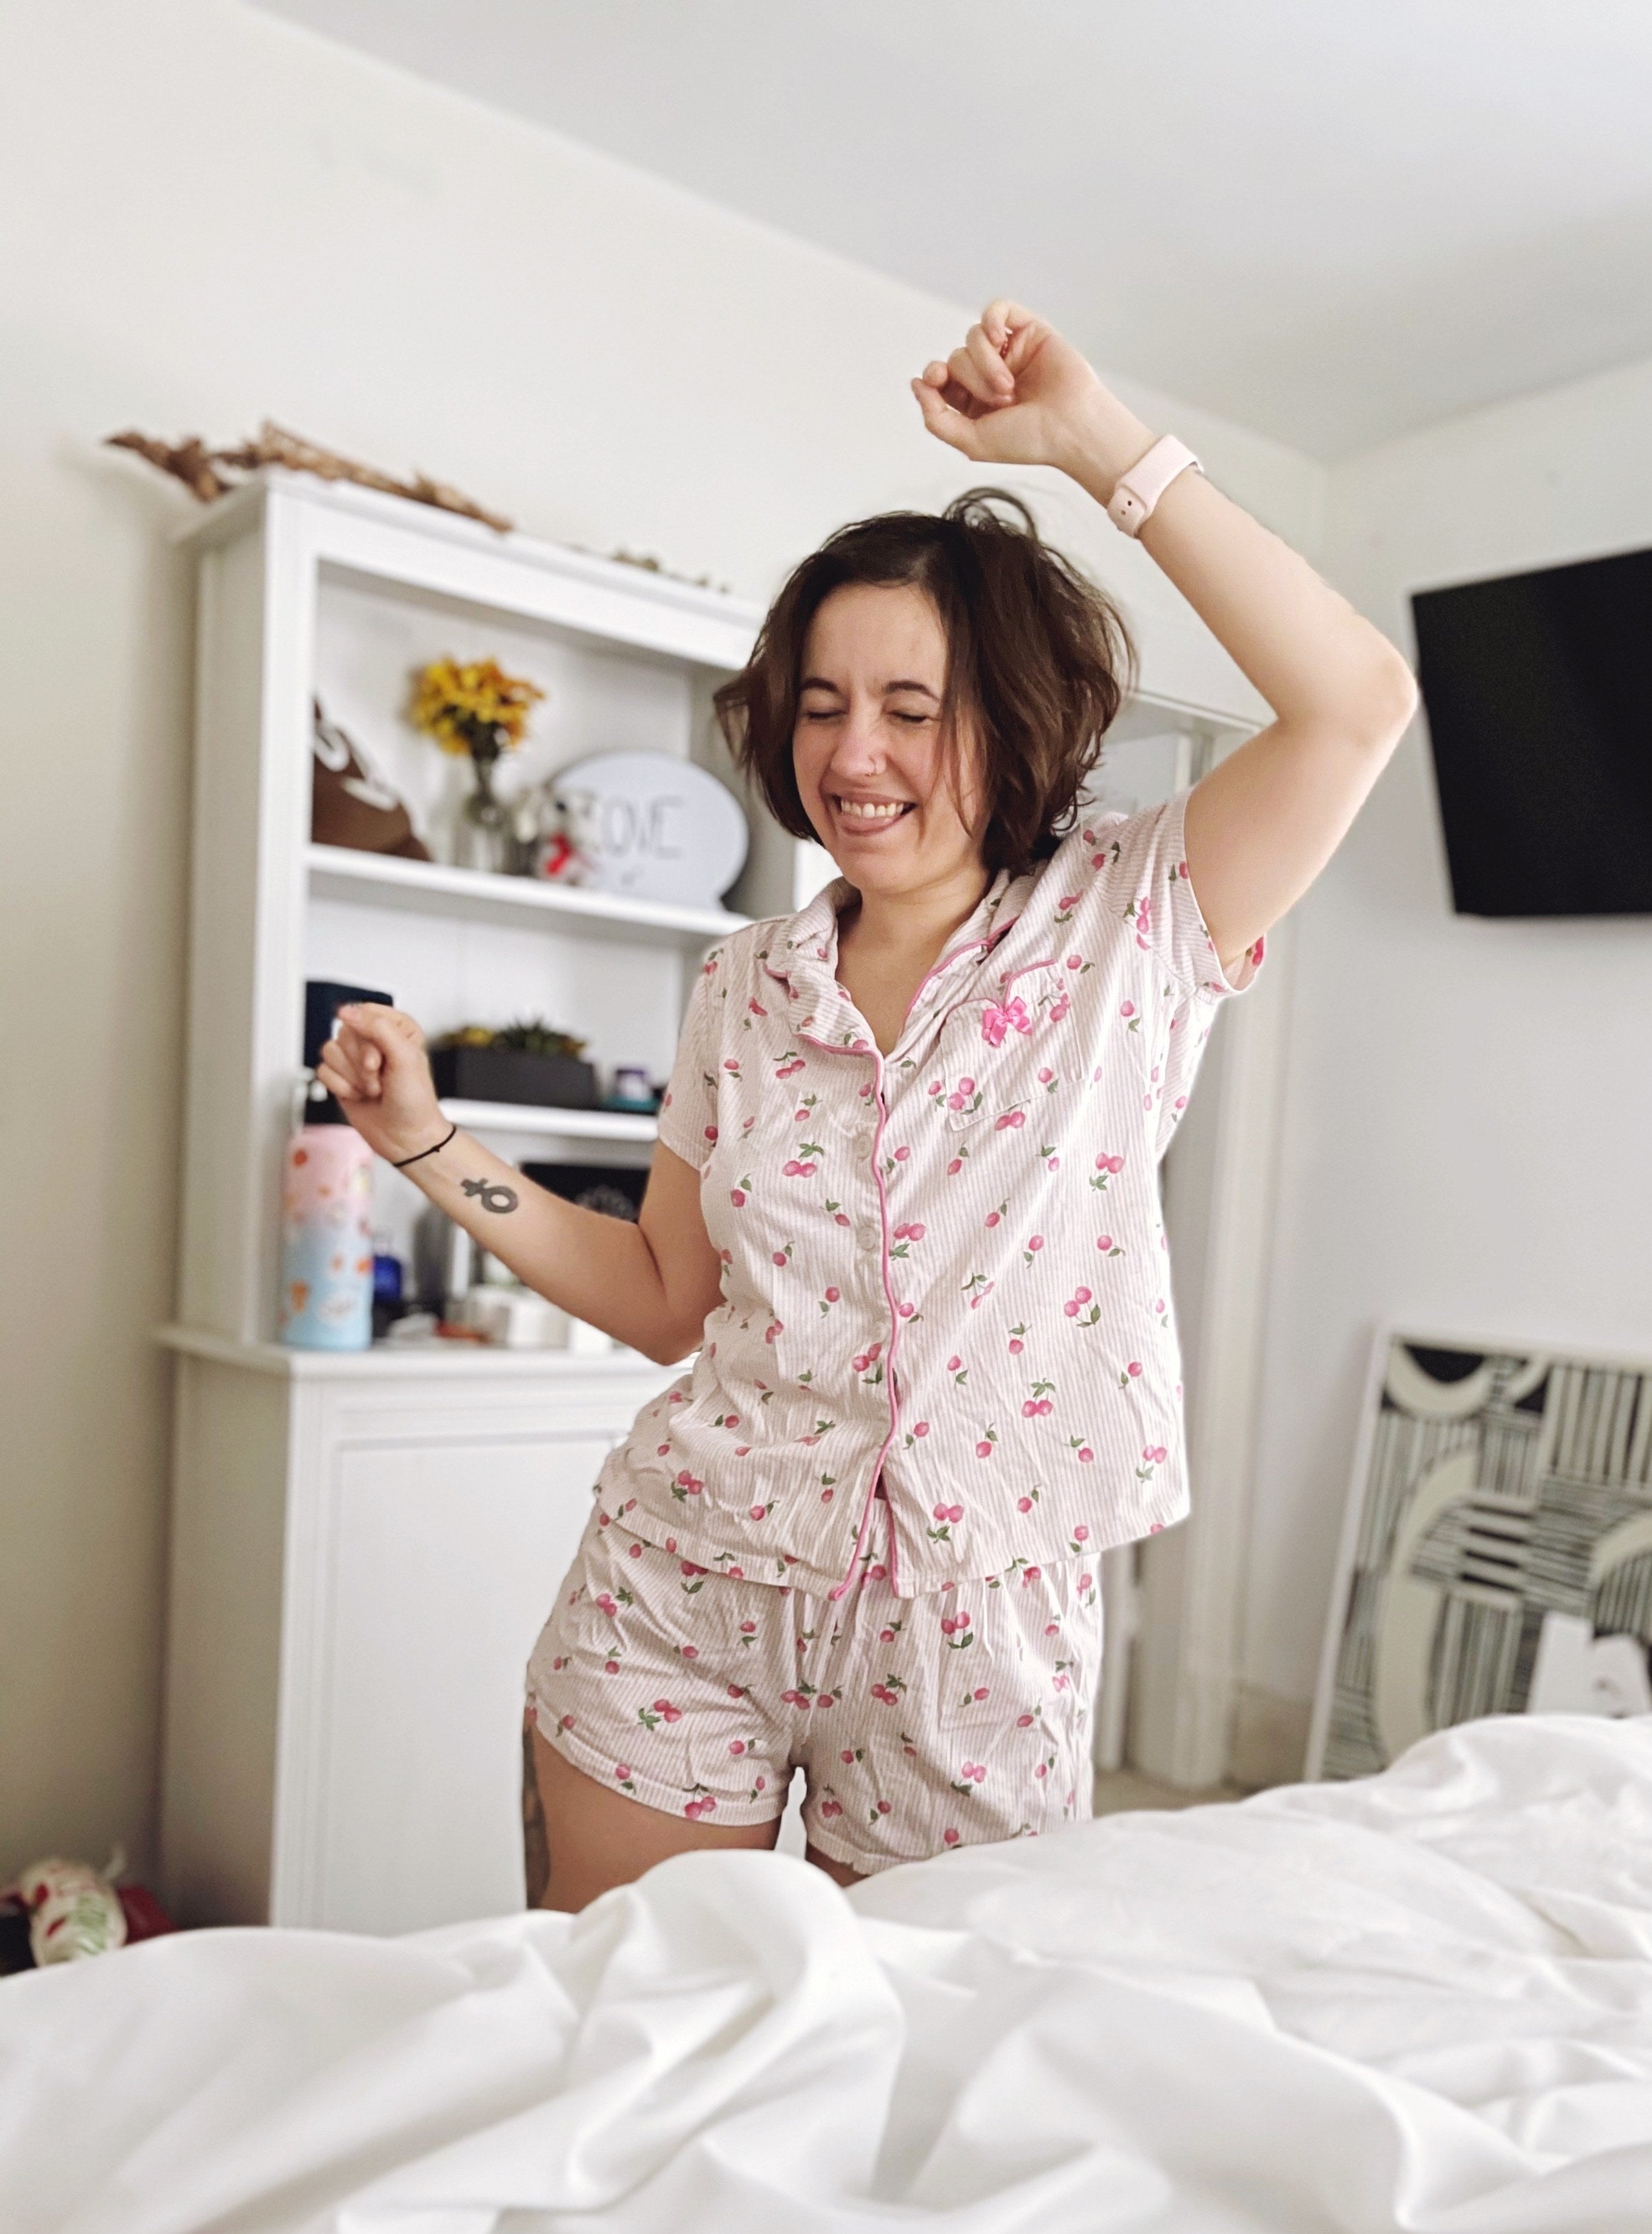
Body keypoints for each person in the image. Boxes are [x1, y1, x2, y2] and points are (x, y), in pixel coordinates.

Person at [318, 299, 1417, 1905]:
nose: (857, 752)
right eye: (825, 702)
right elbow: (657, 1299)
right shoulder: (743, 984)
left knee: (895, 2085)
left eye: (914, 706)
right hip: (681, 1588)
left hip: (976, 1628)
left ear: (1012, 717)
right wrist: (426, 1141)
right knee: (623, 2035)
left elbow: (1356, 705)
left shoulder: (1136, 915)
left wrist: (1092, 437)